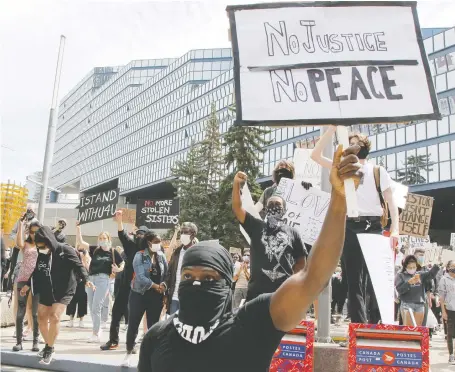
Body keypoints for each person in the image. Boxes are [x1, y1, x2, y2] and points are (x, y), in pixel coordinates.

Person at [137, 144, 362, 372]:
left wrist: (339, 201)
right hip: (259, 288)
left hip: (277, 296)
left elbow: (311, 277)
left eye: (208, 278)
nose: (196, 283)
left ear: (227, 284)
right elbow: (238, 209)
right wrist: (237, 185)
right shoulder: (156, 337)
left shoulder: (250, 326)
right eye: (188, 276)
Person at [311, 126, 399, 324]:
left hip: (374, 226)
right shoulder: (341, 170)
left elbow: (390, 201)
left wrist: (395, 230)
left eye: (355, 144)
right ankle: (358, 326)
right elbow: (315, 155)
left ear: (364, 147)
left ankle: (376, 324)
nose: (352, 147)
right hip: (350, 225)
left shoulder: (377, 170)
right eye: (349, 144)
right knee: (353, 280)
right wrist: (331, 130)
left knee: (374, 278)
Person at [233, 182, 308, 301]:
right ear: (266, 209)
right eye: (270, 204)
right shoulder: (256, 226)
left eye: (277, 204)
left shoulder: (293, 232)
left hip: (283, 294)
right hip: (256, 295)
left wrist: (291, 278)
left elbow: (301, 261)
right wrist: (236, 184)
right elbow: (237, 208)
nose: (273, 206)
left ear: (284, 210)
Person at [32, 226, 92, 365]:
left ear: (49, 241)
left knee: (54, 316)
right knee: (40, 316)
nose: (41, 248)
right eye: (39, 245)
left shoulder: (65, 250)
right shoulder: (41, 252)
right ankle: (49, 346)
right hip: (48, 288)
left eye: (43, 245)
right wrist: (28, 286)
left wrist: (87, 279)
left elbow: (79, 266)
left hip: (65, 288)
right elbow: (37, 270)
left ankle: (49, 348)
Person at [101, 211, 147, 351]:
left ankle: (131, 344)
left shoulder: (150, 251)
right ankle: (113, 341)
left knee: (134, 316)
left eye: (142, 234)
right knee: (116, 313)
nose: (139, 235)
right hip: (125, 285)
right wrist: (120, 220)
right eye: (137, 233)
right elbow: (122, 234)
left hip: (141, 287)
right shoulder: (131, 246)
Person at [122, 231, 168, 367]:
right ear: (149, 243)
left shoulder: (161, 256)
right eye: (156, 242)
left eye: (159, 242)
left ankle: (151, 355)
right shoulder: (139, 255)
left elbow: (166, 273)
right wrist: (155, 286)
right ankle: (129, 351)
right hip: (139, 295)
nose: (158, 244)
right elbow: (141, 277)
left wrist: (164, 286)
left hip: (156, 296)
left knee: (154, 326)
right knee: (133, 324)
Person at [76, 224, 124, 343]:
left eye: (104, 238)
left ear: (109, 239)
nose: (102, 240)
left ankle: (95, 333)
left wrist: (118, 269)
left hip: (104, 279)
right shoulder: (95, 250)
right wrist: (78, 229)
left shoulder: (113, 252)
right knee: (92, 307)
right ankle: (97, 329)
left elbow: (122, 263)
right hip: (91, 279)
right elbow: (81, 243)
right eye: (100, 238)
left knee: (97, 306)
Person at [12, 217, 41, 352]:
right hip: (23, 279)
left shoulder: (43, 246)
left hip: (36, 281)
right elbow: (18, 243)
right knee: (20, 312)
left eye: (36, 232)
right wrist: (20, 225)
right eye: (32, 232)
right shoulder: (26, 244)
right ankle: (19, 342)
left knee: (35, 313)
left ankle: (35, 342)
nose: (34, 234)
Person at [164, 222, 198, 315]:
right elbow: (170, 272)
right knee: (173, 327)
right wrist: (165, 286)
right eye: (181, 232)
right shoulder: (177, 252)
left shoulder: (198, 253)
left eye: (186, 232)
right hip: (174, 297)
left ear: (193, 234)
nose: (182, 235)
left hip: (190, 298)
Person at [395, 255, 440, 327]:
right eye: (410, 267)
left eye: (414, 267)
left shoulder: (420, 274)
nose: (412, 269)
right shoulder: (401, 275)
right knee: (409, 328)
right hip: (407, 304)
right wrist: (409, 283)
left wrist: (437, 266)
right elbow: (399, 290)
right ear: (405, 267)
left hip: (420, 304)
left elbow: (431, 275)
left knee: (418, 327)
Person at [66, 243, 89, 328]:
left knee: (82, 301)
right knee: (71, 300)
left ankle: (81, 320)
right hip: (72, 282)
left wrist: (84, 260)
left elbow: (87, 270)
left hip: (82, 283)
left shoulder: (86, 259)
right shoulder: (72, 259)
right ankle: (71, 319)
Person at [439, 260, 455, 364]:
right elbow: (441, 297)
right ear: (448, 267)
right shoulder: (444, 279)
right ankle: (451, 354)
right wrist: (443, 312)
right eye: (453, 266)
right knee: (450, 333)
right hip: (450, 310)